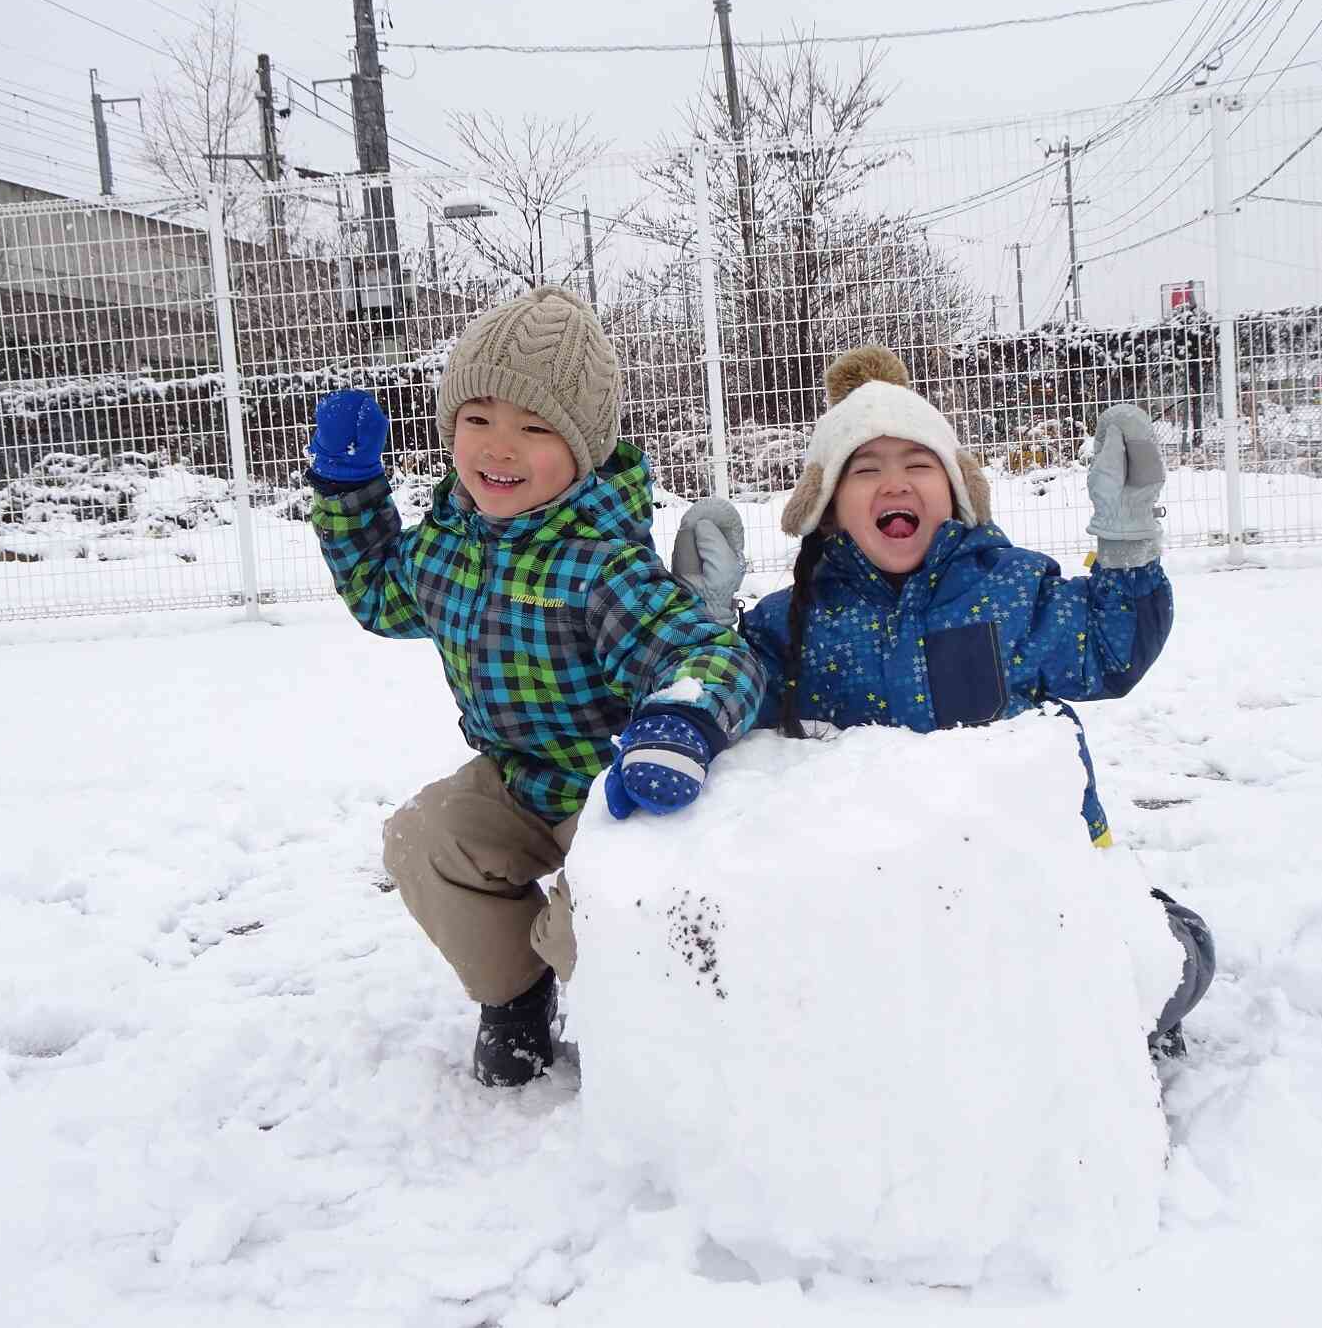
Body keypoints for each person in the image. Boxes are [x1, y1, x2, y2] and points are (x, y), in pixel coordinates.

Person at [673, 345, 1214, 1055]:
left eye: (917, 464)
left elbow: (1111, 653)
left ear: (956, 488)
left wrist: (1127, 540)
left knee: (1173, 956)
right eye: (865, 468)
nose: (894, 482)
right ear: (829, 507)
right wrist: (707, 622)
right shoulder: (794, 622)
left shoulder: (1012, 593)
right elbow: (731, 702)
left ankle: (1104, 1017)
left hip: (1036, 882)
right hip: (879, 905)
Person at [306, 285, 768, 1087]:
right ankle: (515, 996)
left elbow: (712, 657)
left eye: (533, 427)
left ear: (583, 447)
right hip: (519, 778)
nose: (498, 448)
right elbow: (382, 596)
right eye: (476, 420)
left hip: (617, 787)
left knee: (597, 919)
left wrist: (678, 726)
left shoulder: (600, 563)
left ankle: (621, 993)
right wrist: (349, 495)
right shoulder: (447, 547)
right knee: (425, 841)